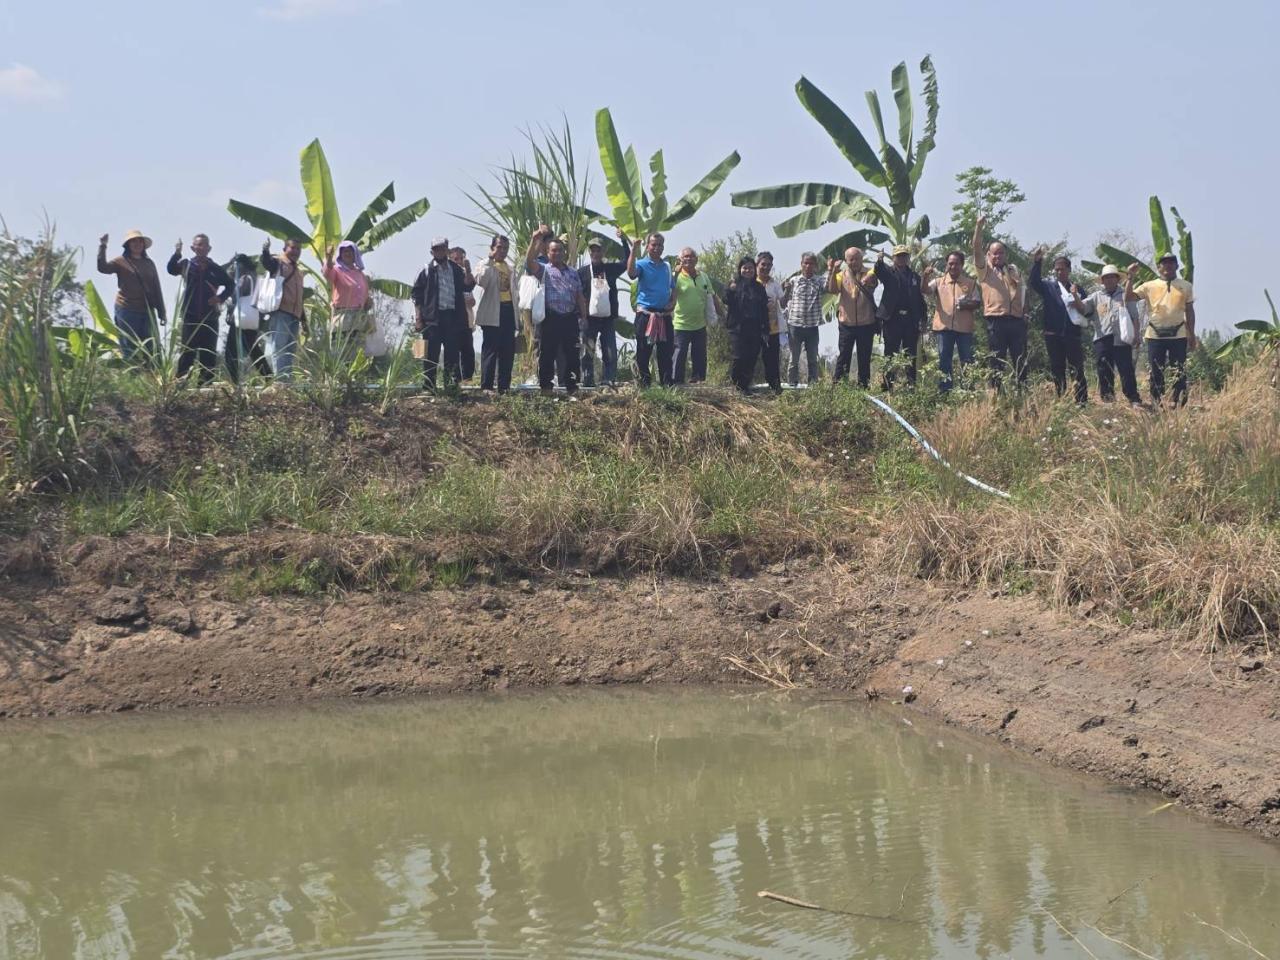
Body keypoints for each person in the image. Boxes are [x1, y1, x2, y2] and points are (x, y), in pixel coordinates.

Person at [525, 225, 588, 395]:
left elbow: (579, 296)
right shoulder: (543, 270)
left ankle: (572, 388)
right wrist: (535, 239)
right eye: (553, 251)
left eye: (560, 251)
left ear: (564, 253)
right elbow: (529, 262)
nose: (557, 253)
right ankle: (546, 388)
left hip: (569, 318)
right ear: (547, 253)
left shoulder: (573, 273)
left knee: (572, 355)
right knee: (547, 354)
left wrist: (584, 317)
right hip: (550, 318)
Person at [1127, 254, 1196, 406]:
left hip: (1178, 334)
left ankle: (1178, 401)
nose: (1168, 266)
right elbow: (1129, 298)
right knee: (1155, 370)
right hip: (1154, 334)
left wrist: (1192, 334)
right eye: (1164, 263)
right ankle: (1156, 401)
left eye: (1171, 263)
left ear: (1177, 266)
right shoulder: (1149, 285)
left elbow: (1190, 311)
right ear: (1159, 267)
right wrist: (1130, 277)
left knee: (1179, 370)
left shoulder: (1186, 286)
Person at [167, 234, 233, 384]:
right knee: (187, 351)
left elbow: (230, 285)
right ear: (193, 248)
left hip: (210, 317)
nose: (201, 248)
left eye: (204, 245)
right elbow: (171, 269)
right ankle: (180, 383)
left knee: (208, 353)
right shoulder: (187, 265)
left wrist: (220, 298)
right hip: (190, 316)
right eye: (198, 245)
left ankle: (206, 385)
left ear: (209, 248)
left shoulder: (215, 268)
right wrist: (177, 253)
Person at [972, 215, 1028, 387]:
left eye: (1001, 253)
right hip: (996, 321)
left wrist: (1025, 314)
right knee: (997, 361)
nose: (997, 256)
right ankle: (996, 397)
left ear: (1006, 254)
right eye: (994, 253)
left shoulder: (1013, 270)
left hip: (1017, 321)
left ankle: (1022, 393)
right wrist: (979, 227)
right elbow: (976, 248)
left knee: (1020, 360)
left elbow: (1024, 293)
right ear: (988, 255)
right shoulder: (985, 271)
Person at [412, 237, 473, 392]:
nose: (439, 251)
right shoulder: (426, 270)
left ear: (447, 249)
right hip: (432, 319)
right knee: (431, 355)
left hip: (452, 317)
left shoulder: (456, 269)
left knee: (452, 354)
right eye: (436, 249)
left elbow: (467, 287)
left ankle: (451, 387)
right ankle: (428, 387)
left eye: (442, 248)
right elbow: (416, 296)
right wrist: (418, 318)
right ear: (432, 251)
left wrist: (468, 270)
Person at [1029, 249, 1088, 403]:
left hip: (1072, 335)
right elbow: (1034, 282)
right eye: (1057, 270)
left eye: (1063, 269)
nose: (1060, 272)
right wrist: (1037, 262)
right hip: (1053, 335)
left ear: (1069, 269)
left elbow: (1087, 310)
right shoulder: (1049, 287)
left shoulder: (1078, 289)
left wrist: (1076, 297)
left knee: (1076, 368)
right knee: (1057, 368)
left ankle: (1081, 401)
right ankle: (1062, 399)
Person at [98, 229, 167, 361]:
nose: (137, 244)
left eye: (139, 241)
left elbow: (156, 287)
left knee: (151, 346)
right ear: (128, 245)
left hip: (146, 310)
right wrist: (103, 246)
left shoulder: (149, 263)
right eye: (133, 241)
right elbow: (103, 268)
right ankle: (132, 377)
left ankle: (151, 376)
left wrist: (161, 311)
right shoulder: (120, 261)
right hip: (126, 308)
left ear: (143, 245)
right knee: (129, 346)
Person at [1075, 264, 1140, 404]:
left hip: (1121, 339)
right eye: (1106, 278)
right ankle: (1108, 399)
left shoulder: (1125, 295)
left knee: (1126, 369)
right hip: (1102, 338)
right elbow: (1083, 309)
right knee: (1104, 370)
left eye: (1112, 277)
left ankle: (1133, 398)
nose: (1109, 280)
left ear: (1117, 279)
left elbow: (1134, 316)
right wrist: (1074, 295)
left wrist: (1136, 335)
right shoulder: (1095, 297)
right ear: (1102, 281)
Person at [921, 251, 981, 392]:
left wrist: (966, 304)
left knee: (967, 361)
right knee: (944, 361)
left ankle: (968, 391)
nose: (953, 266)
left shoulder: (970, 283)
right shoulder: (939, 282)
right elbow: (925, 290)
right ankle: (945, 392)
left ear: (962, 265)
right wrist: (925, 276)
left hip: (964, 329)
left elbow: (978, 302)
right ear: (947, 265)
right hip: (944, 329)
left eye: (956, 264)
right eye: (950, 264)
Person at [578, 229, 629, 387]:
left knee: (610, 352)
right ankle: (587, 381)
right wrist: (581, 316)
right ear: (589, 252)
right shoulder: (582, 272)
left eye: (599, 250)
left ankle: (608, 380)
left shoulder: (611, 270)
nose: (596, 253)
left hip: (607, 319)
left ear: (603, 251)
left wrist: (624, 241)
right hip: (589, 319)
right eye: (593, 250)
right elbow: (577, 294)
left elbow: (627, 262)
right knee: (587, 352)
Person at [873, 243, 927, 388]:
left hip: (910, 320)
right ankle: (887, 387)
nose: (902, 258)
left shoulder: (915, 276)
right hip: (892, 319)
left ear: (908, 258)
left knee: (911, 356)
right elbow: (879, 271)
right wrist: (879, 261)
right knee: (890, 354)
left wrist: (923, 319)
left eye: (904, 255)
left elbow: (920, 299)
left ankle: (911, 387)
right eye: (899, 256)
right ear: (894, 258)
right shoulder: (888, 273)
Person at [627, 232, 675, 387]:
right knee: (643, 352)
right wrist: (634, 250)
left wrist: (672, 302)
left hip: (664, 315)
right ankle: (644, 385)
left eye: (660, 245)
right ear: (647, 246)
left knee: (666, 352)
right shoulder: (641, 263)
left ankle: (667, 385)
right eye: (653, 244)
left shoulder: (667, 266)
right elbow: (631, 273)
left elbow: (673, 288)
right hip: (646, 316)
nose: (656, 248)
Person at [670, 247, 723, 384]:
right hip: (681, 325)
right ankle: (676, 383)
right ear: (680, 260)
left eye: (691, 256)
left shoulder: (703, 276)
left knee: (699, 356)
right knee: (679, 354)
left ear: (696, 259)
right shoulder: (675, 277)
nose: (688, 259)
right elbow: (669, 296)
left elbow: (712, 296)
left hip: (700, 324)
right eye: (685, 257)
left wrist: (722, 314)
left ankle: (698, 381)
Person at [472, 234, 518, 393]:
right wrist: (489, 260)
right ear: (492, 248)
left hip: (508, 311)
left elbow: (515, 293)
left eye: (505, 248)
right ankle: (487, 386)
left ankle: (504, 387)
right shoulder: (484, 264)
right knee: (490, 350)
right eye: (499, 247)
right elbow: (481, 281)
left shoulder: (511, 268)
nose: (502, 251)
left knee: (507, 351)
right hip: (492, 310)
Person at [828, 247, 878, 388]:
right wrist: (832, 272)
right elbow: (832, 290)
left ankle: (863, 387)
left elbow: (876, 276)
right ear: (846, 261)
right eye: (851, 259)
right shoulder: (841, 275)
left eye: (857, 258)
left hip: (866, 323)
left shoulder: (870, 272)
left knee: (864, 357)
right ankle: (838, 387)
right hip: (846, 323)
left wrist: (870, 276)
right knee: (844, 356)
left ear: (862, 259)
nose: (854, 262)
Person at [260, 238, 306, 381]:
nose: (296, 251)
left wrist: (304, 320)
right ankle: (280, 381)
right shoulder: (279, 263)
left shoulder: (298, 271)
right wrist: (265, 251)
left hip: (295, 315)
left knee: (290, 350)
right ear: (285, 248)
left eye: (298, 249)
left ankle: (287, 381)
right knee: (279, 347)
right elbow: (267, 262)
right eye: (293, 248)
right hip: (281, 311)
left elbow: (299, 298)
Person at [724, 256, 771, 393]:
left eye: (750, 268)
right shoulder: (734, 284)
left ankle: (744, 387)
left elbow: (763, 310)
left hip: (755, 329)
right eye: (744, 268)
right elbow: (726, 300)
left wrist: (765, 329)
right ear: (740, 270)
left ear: (754, 269)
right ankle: (735, 385)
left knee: (751, 357)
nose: (747, 270)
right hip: (737, 328)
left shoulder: (759, 288)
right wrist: (731, 290)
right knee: (739, 357)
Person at [224, 253, 272, 382]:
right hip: (251, 318)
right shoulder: (255, 277)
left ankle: (235, 380)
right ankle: (268, 375)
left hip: (241, 319)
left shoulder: (245, 278)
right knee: (253, 350)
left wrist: (230, 279)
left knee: (230, 352)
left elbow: (235, 295)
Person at [323, 240, 372, 362]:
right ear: (340, 254)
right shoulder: (337, 270)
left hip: (359, 317)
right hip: (342, 316)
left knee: (358, 352)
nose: (347, 253)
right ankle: (340, 377)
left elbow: (364, 295)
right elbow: (327, 273)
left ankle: (355, 378)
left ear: (355, 254)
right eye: (344, 251)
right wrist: (328, 258)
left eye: (350, 251)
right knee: (340, 351)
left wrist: (368, 302)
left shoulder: (360, 274)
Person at [782, 252, 825, 386]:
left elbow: (830, 288)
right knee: (794, 358)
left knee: (812, 358)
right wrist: (786, 290)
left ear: (815, 266)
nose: (808, 266)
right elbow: (785, 301)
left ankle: (813, 385)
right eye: (805, 263)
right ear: (801, 265)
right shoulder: (794, 281)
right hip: (795, 324)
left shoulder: (820, 281)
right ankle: (792, 384)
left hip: (812, 325)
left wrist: (833, 269)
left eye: (811, 263)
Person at [449, 246, 477, 382]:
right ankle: (456, 381)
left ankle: (468, 379)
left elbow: (470, 291)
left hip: (466, 320)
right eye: (456, 259)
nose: (459, 261)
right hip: (452, 321)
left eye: (461, 258)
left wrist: (468, 270)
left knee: (468, 352)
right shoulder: (447, 275)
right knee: (453, 351)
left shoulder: (465, 274)